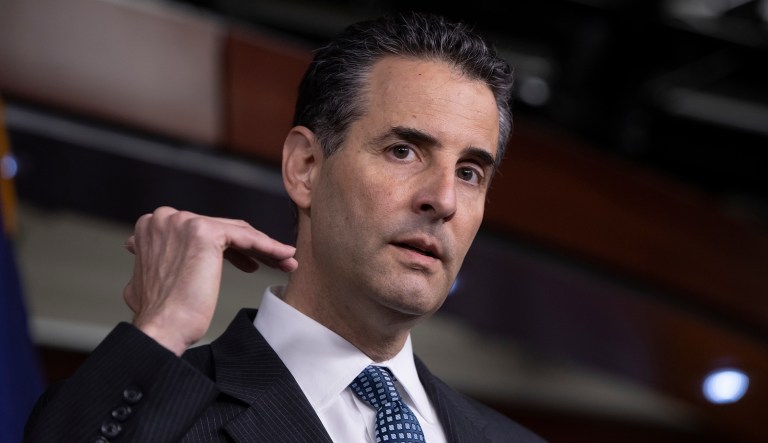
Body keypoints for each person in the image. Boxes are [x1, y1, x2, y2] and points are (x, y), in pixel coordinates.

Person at [24, 11, 547, 443]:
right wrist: (162, 331)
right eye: (403, 151)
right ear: (305, 168)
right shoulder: (159, 417)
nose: (444, 199)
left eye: (470, 172)